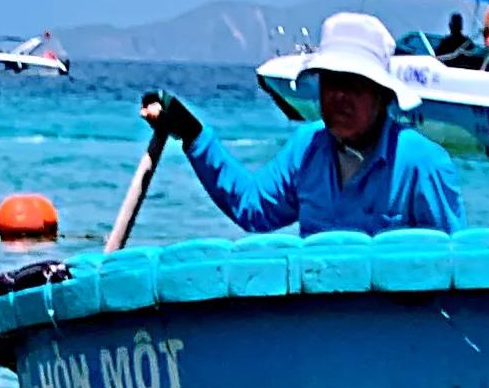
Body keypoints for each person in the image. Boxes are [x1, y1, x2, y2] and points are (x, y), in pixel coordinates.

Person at [142, 12, 463, 238]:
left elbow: (453, 269)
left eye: (354, 84)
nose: (339, 96)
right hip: (319, 324)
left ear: (382, 95)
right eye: (330, 82)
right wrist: (193, 135)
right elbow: (253, 209)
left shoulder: (422, 163)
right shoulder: (308, 148)